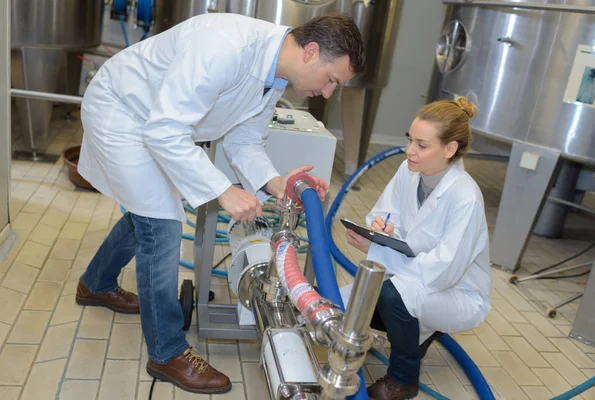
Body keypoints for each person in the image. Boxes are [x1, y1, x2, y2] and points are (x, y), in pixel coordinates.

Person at [75, 13, 365, 395]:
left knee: (148, 212)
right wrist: (222, 191)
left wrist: (277, 183)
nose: (328, 93)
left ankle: (95, 284)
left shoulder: (273, 76)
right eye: (331, 80)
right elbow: (164, 130)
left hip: (158, 124)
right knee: (161, 225)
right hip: (123, 113)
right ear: (311, 52)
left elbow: (244, 140)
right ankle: (166, 351)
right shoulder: (225, 47)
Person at [344, 97, 492, 400]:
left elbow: (442, 272)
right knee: (348, 302)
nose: (410, 150)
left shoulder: (465, 197)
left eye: (422, 145)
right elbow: (383, 215)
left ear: (449, 149)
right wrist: (379, 232)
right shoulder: (407, 171)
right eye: (410, 140)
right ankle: (417, 332)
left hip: (456, 291)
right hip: (416, 276)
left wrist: (380, 252)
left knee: (389, 295)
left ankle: (403, 379)